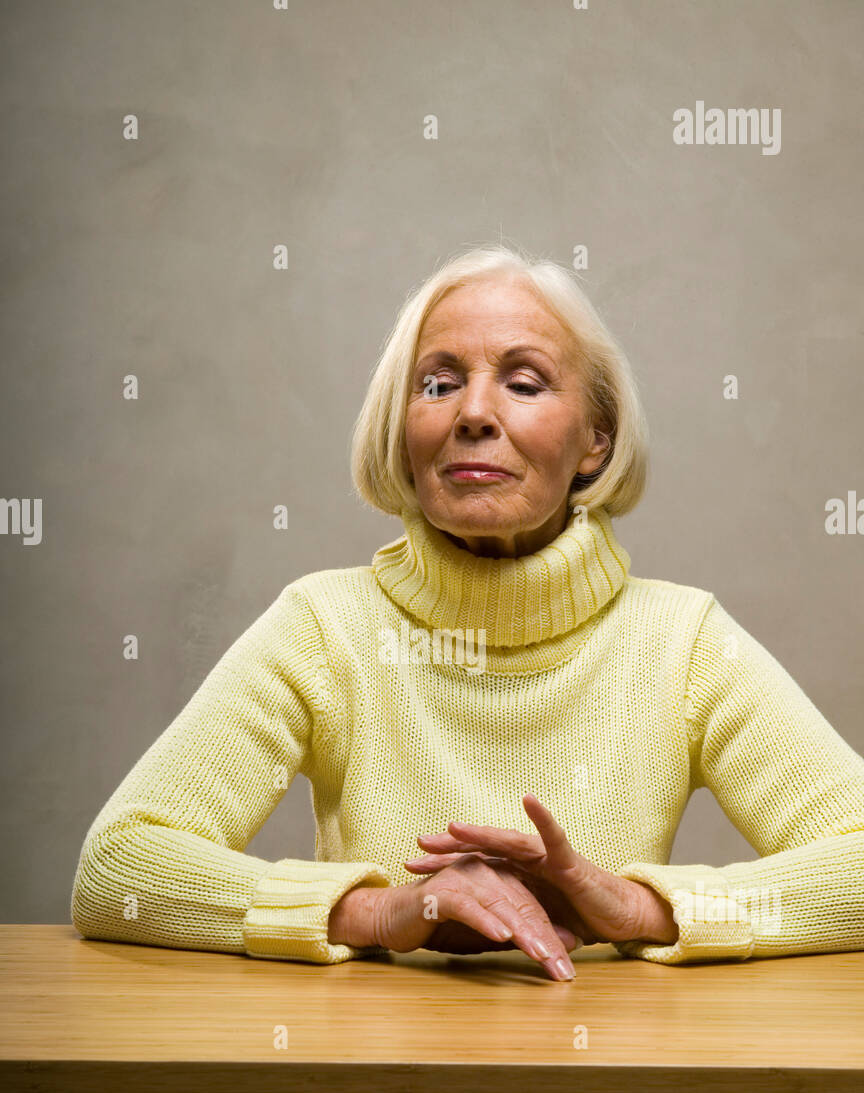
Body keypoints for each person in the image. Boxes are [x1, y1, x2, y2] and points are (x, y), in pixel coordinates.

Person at [71, 244, 864, 982]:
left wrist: (642, 908)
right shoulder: (321, 626)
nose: (472, 413)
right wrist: (378, 912)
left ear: (595, 439)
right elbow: (118, 868)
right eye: (438, 383)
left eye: (524, 383)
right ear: (403, 428)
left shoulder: (684, 642)